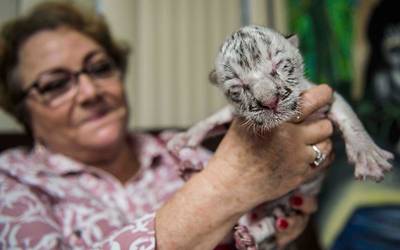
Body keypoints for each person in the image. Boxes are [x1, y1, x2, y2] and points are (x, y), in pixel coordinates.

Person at [0, 2, 334, 249]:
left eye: (100, 68)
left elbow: (265, 225)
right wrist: (224, 188)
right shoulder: (10, 183)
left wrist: (289, 203)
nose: (90, 92)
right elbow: (237, 186)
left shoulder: (180, 149)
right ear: (22, 110)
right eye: (56, 84)